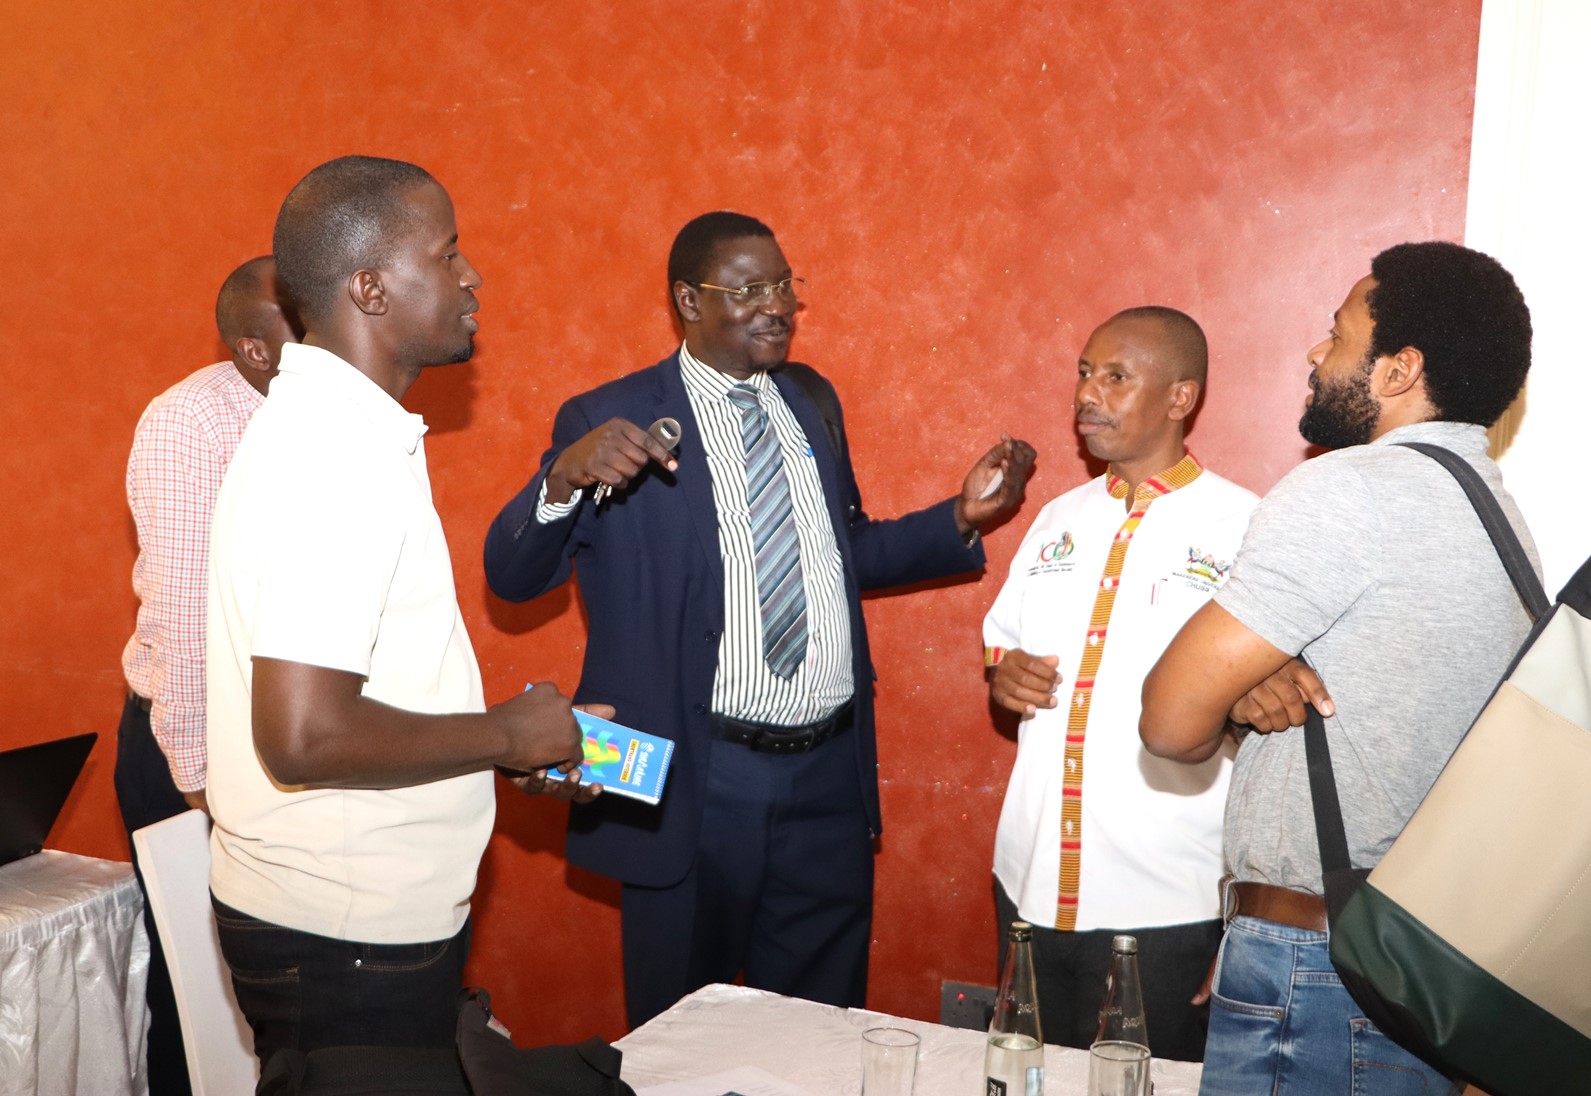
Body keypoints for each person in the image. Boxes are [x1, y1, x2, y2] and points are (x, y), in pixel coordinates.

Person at [484, 210, 1035, 1028]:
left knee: (817, 1037)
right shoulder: (610, 415)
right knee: (685, 1039)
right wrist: (561, 479)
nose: (776, 305)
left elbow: (841, 552)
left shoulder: (810, 401)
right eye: (749, 289)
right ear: (687, 301)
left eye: (783, 285)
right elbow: (514, 574)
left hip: (827, 781)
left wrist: (958, 517)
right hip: (693, 780)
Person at [206, 155, 596, 1067]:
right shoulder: (333, 453)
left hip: (347, 925)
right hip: (342, 942)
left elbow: (360, 688)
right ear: (371, 287)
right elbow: (302, 734)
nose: (473, 276)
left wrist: (520, 735)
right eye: (448, 253)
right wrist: (504, 736)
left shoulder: (347, 432)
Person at [1141, 242, 1537, 1095]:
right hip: (1419, 969)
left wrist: (1228, 694)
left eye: (1338, 332)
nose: (1317, 354)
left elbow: (1169, 721)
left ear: (1399, 371)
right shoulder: (1498, 514)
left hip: (1318, 971)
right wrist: (1250, 692)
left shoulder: (1347, 491)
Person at [982, 307, 1257, 1061]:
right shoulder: (1056, 518)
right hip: (1029, 882)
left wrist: (1241, 914)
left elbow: (1280, 730)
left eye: (1116, 376)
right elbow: (1001, 641)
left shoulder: (1246, 527)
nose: (1087, 395)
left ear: (1180, 398)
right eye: (1083, 372)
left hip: (1166, 904)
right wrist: (1003, 675)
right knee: (1027, 1077)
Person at [116, 254, 298, 1094]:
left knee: (279, 995)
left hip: (289, 739)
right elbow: (183, 615)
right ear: (253, 350)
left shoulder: (335, 416)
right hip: (193, 743)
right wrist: (198, 782)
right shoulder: (190, 422)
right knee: (200, 997)